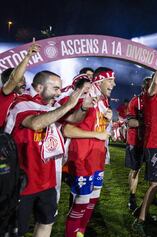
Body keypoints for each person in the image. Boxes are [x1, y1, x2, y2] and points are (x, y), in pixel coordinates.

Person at [4, 70, 87, 237]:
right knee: (15, 230)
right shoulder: (21, 103)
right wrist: (67, 105)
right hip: (23, 180)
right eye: (56, 88)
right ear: (40, 87)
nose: (59, 92)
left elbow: (74, 119)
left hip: (47, 180)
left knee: (46, 222)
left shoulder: (54, 106)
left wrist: (83, 107)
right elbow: (35, 124)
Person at [65, 67, 116, 237]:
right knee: (81, 200)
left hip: (97, 157)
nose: (114, 84)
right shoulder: (85, 98)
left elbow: (100, 128)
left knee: (93, 198)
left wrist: (109, 117)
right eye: (110, 80)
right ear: (100, 81)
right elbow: (68, 130)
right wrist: (97, 134)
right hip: (82, 158)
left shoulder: (104, 101)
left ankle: (81, 232)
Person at [132, 46, 157, 236]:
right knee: (155, 183)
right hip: (153, 146)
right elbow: (156, 79)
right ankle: (140, 220)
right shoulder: (151, 97)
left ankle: (142, 212)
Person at [0, 42, 40, 130]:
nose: (24, 83)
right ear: (7, 82)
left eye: (24, 79)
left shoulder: (26, 97)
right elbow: (14, 79)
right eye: (20, 80)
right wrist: (28, 56)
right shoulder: (3, 95)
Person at [125, 77, 151, 211]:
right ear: (143, 88)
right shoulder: (135, 101)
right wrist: (145, 123)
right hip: (135, 141)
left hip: (150, 141)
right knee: (135, 170)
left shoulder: (156, 101)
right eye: (148, 86)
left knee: (151, 170)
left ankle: (152, 196)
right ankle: (132, 197)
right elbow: (129, 122)